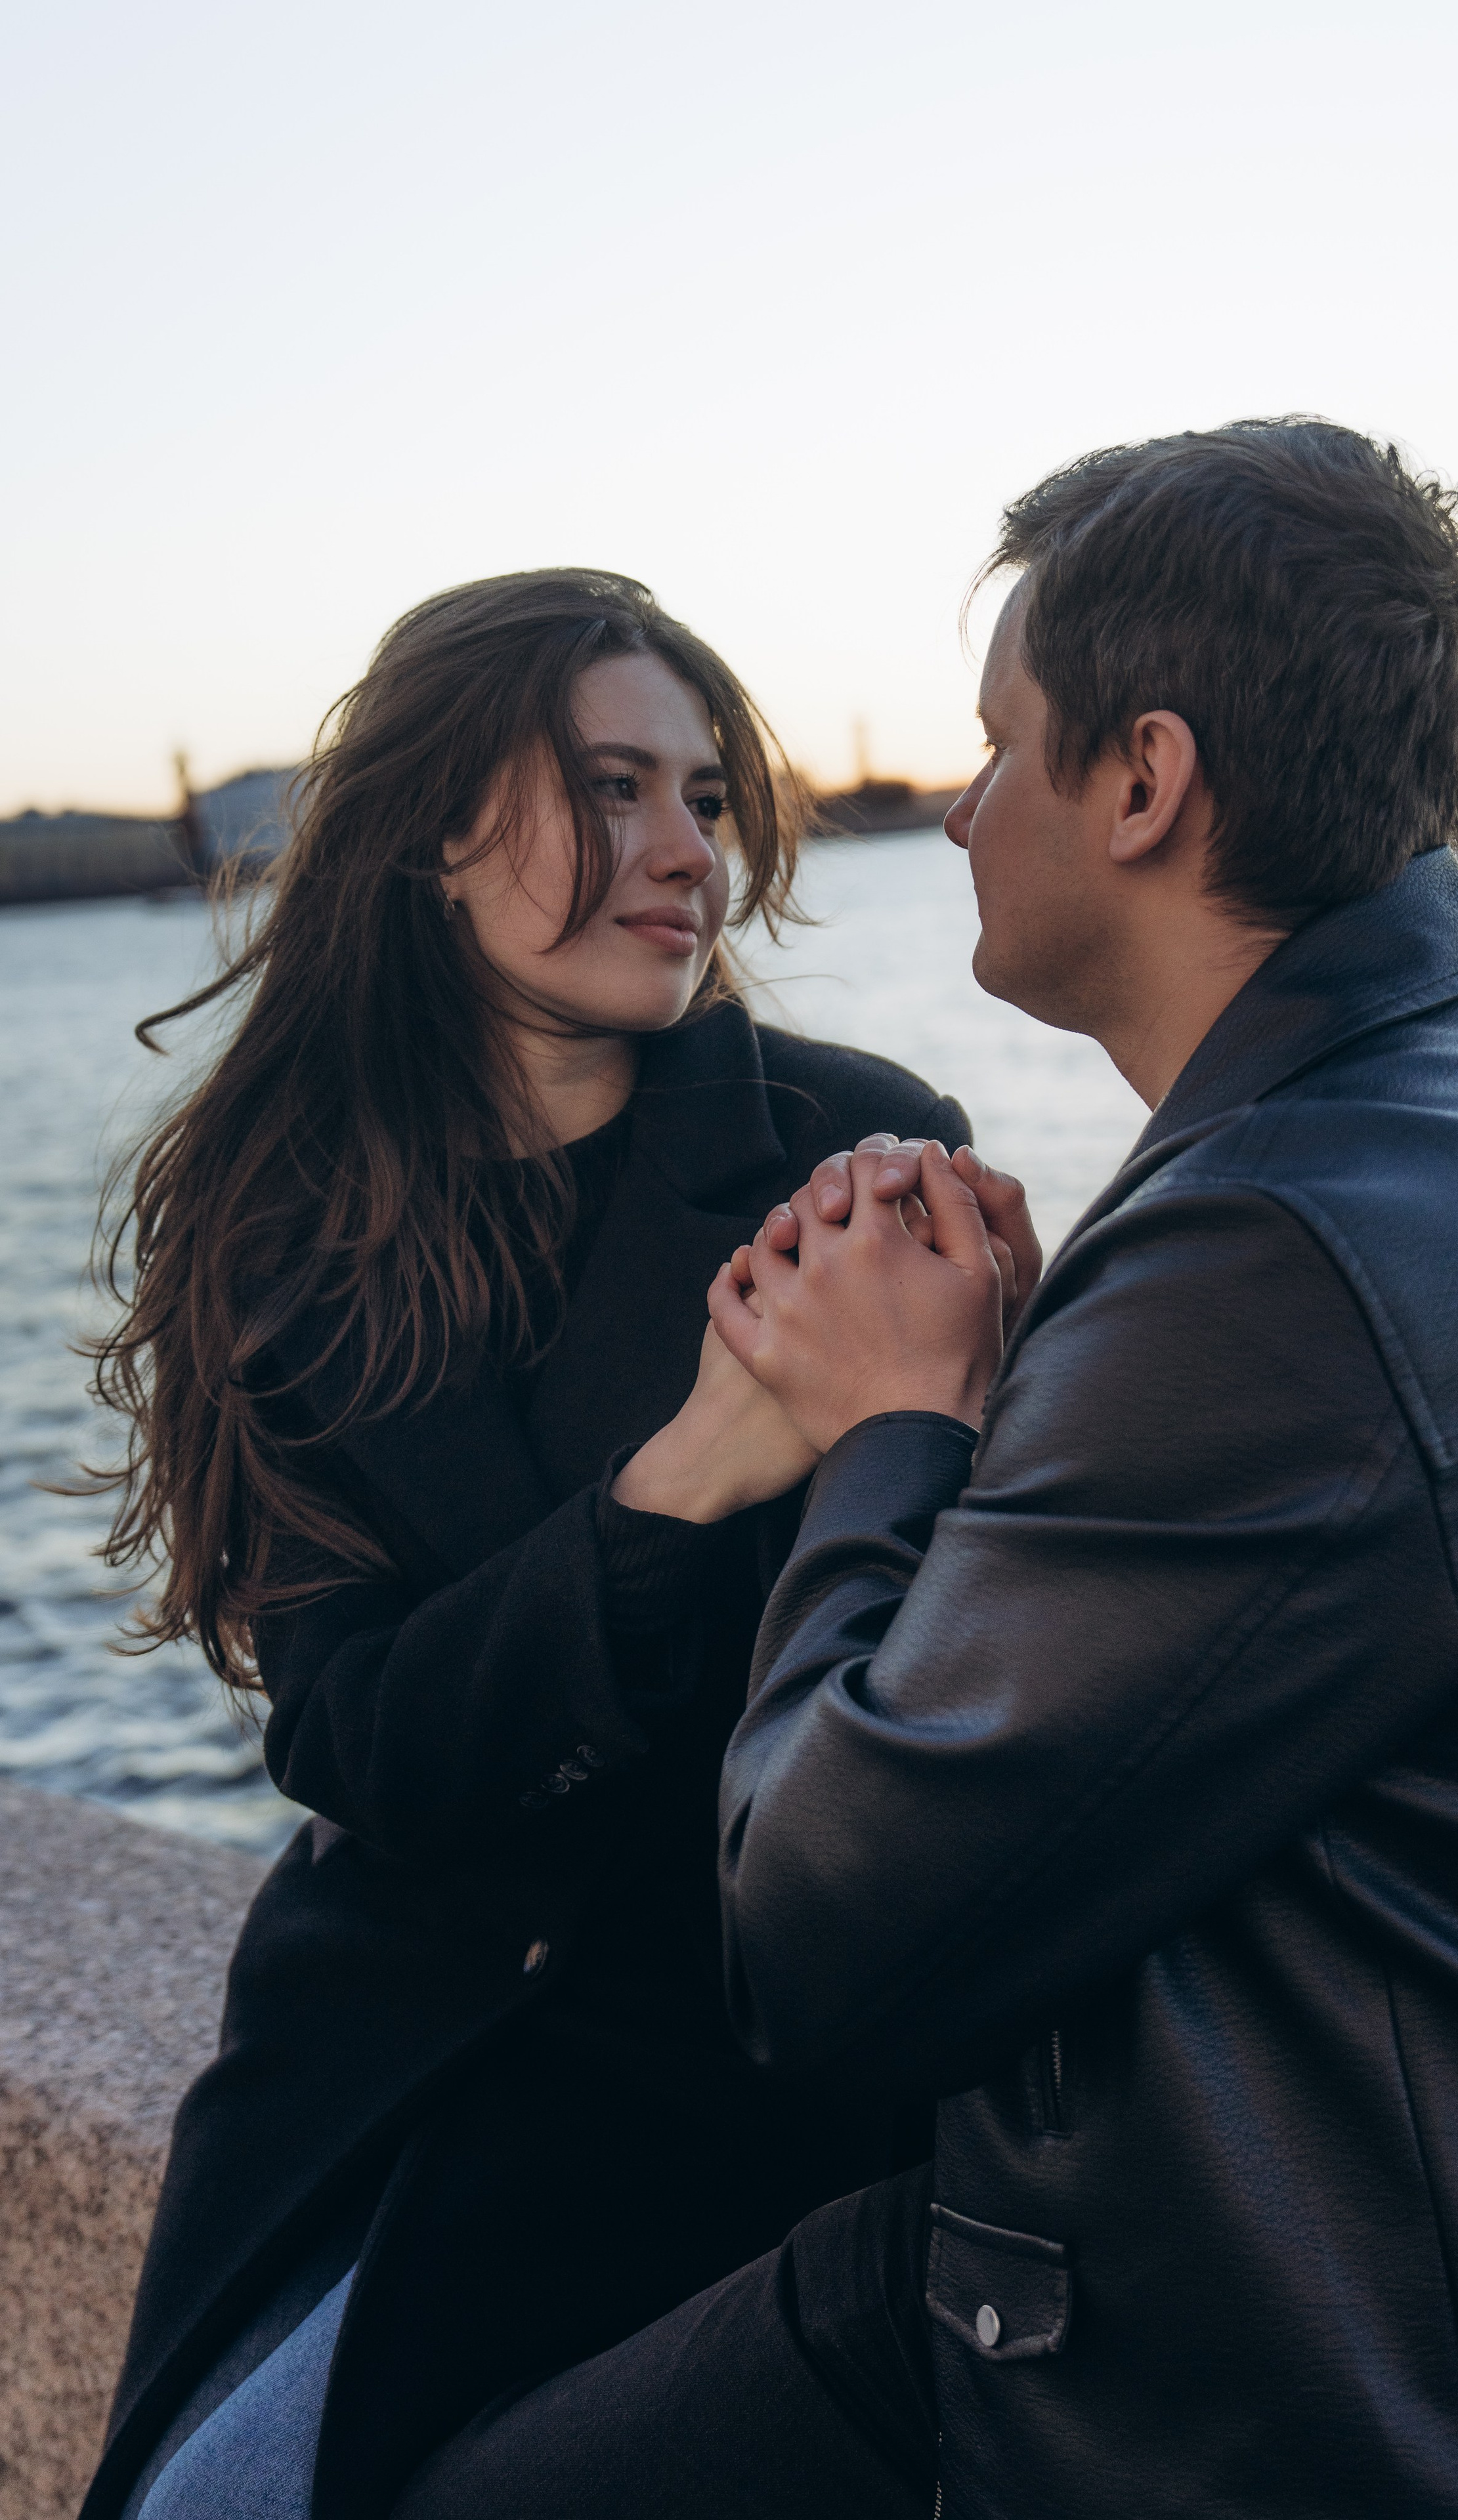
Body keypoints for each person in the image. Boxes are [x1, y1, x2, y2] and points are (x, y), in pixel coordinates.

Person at [397, 423, 1458, 2520]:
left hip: (1304, 2350)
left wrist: (893, 1423)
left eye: (1000, 749)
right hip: (1310, 2220)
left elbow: (819, 1942)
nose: (963, 807)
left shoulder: (1275, 1249)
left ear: (1145, 781)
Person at [77, 570, 972, 2520]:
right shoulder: (273, 1220)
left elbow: (969, 1668)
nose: (687, 854)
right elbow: (353, 1736)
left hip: (753, 2070)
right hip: (392, 2056)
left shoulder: (853, 1156)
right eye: (612, 788)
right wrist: (687, 1478)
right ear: (435, 831)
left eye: (706, 799)